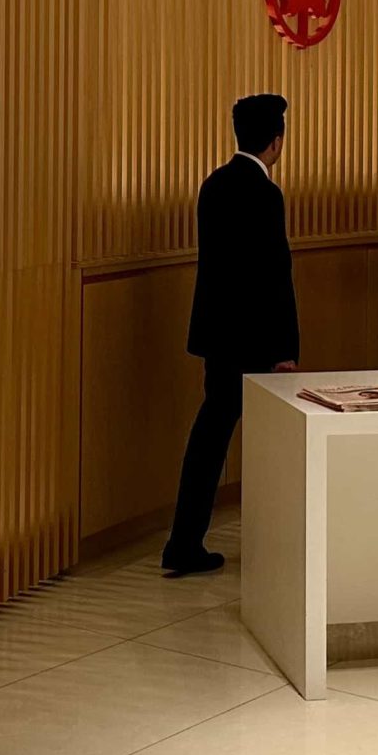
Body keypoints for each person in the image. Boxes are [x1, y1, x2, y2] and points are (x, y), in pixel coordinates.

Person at [164, 93, 297, 577]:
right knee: (267, 439)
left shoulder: (214, 184)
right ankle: (272, 537)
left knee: (209, 437)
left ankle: (184, 538)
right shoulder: (265, 193)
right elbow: (274, 273)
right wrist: (285, 349)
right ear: (276, 142)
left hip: (218, 335)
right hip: (257, 340)